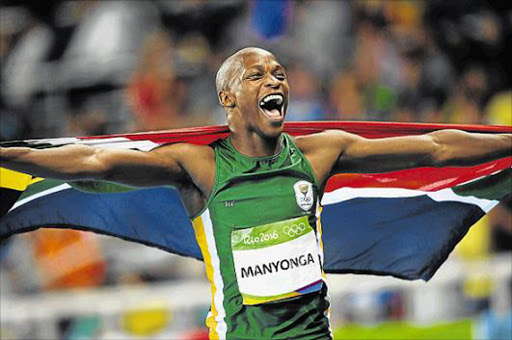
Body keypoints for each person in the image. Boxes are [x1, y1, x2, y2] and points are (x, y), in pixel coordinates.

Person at [0, 47, 510, 340]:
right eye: (258, 74)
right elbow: (95, 161)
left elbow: (435, 148)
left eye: (280, 74)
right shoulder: (198, 165)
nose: (275, 80)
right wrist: (9, 155)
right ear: (228, 98)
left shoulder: (319, 153)